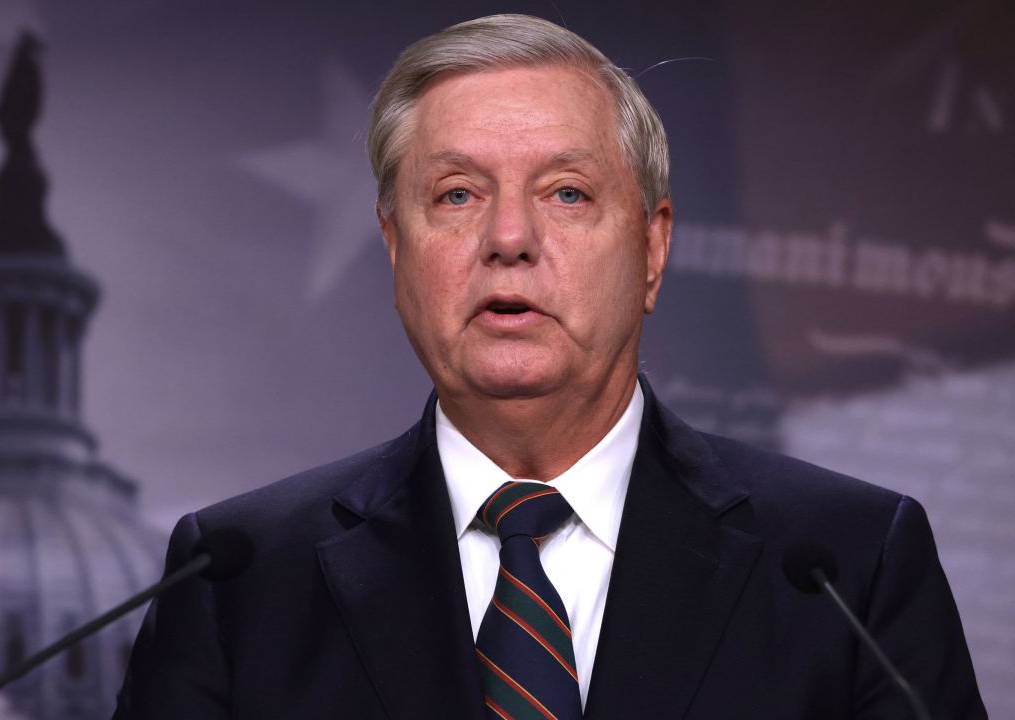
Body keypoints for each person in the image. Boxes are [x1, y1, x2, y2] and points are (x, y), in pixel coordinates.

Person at [114, 14, 986, 719]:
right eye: (457, 195)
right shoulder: (239, 580)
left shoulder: (848, 567)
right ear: (394, 246)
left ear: (652, 247)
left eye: (567, 193)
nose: (508, 241)